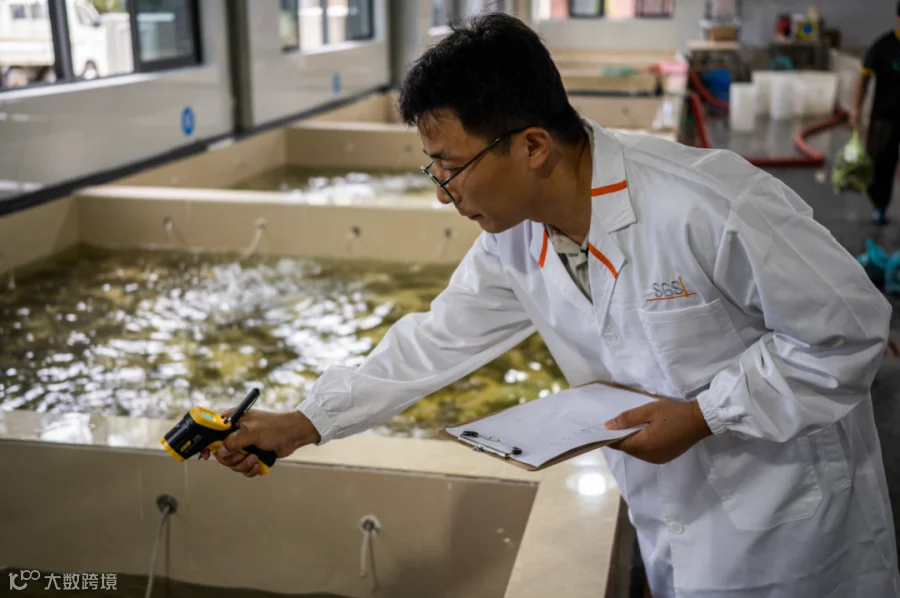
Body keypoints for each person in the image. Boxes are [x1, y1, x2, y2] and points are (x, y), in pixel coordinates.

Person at [206, 13, 900, 598]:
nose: (442, 191)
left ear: (533, 146)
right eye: (432, 167)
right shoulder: (516, 236)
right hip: (674, 524)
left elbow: (851, 334)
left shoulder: (707, 205)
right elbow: (436, 339)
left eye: (451, 166)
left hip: (797, 534)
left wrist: (704, 415)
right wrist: (306, 421)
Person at [850, 2, 900, 225]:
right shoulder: (883, 46)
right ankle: (880, 207)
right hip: (884, 117)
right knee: (880, 164)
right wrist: (856, 109)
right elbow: (863, 78)